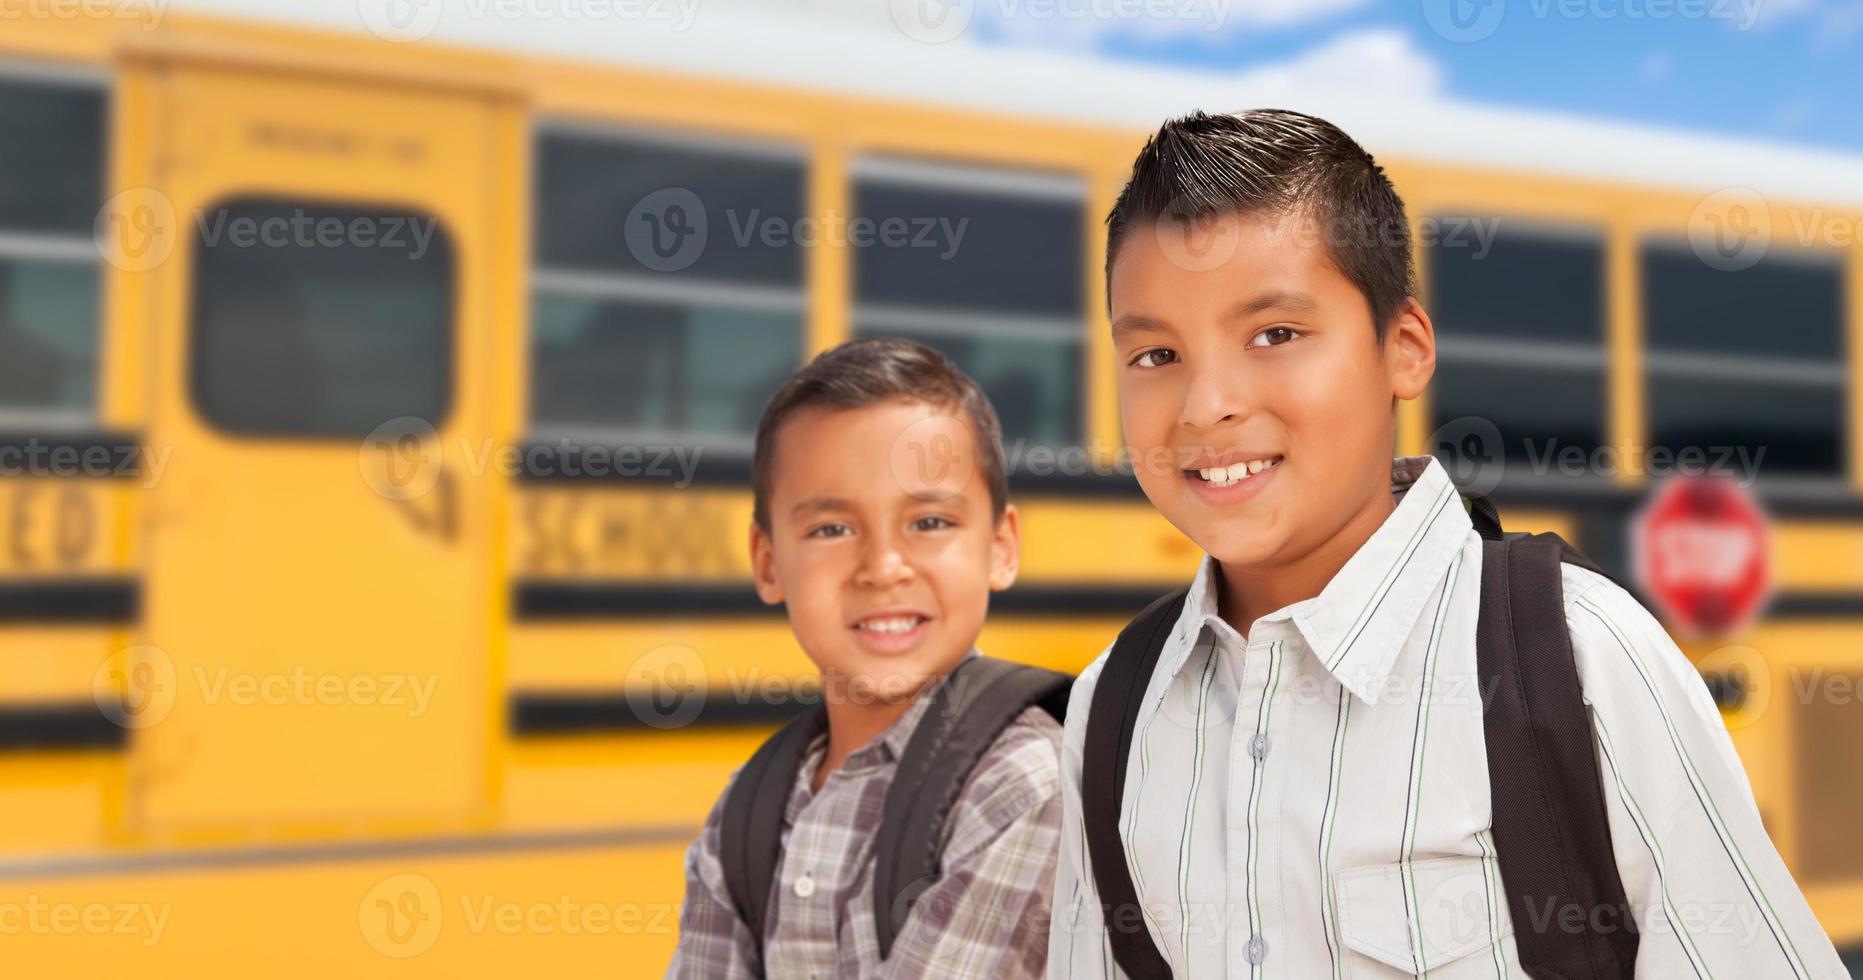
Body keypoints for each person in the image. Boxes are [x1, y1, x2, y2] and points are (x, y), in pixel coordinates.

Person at [1048, 109, 1844, 978]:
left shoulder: (1578, 657)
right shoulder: (1116, 705)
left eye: (1274, 334)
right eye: (1155, 354)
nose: (1205, 405)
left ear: (1403, 350)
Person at [670, 337, 1064, 979]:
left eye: (930, 522)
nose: (883, 567)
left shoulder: (1020, 784)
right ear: (768, 564)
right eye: (832, 529)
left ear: (1000, 547)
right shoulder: (750, 810)